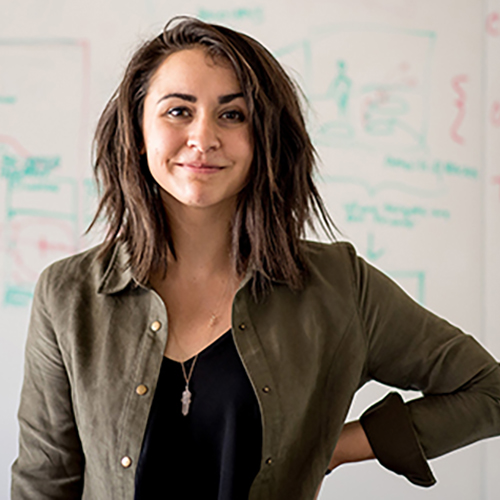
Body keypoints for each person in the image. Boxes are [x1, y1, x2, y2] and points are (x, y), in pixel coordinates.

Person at [11, 16, 500, 500]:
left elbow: (488, 390)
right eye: (178, 111)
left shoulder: (338, 287)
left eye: (233, 114)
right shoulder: (68, 295)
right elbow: (43, 481)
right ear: (139, 133)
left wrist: (334, 447)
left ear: (263, 136)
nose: (203, 138)